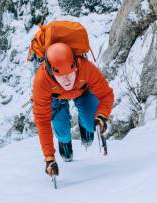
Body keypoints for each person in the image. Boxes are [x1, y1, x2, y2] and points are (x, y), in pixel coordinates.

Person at [32, 42, 114, 177]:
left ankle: (85, 124)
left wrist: (102, 115)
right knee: (62, 133)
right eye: (61, 76)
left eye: (70, 74)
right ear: (51, 72)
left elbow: (106, 94)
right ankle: (64, 142)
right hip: (56, 98)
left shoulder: (85, 68)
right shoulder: (42, 81)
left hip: (82, 91)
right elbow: (42, 121)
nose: (67, 81)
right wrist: (49, 157)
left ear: (75, 66)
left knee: (90, 123)